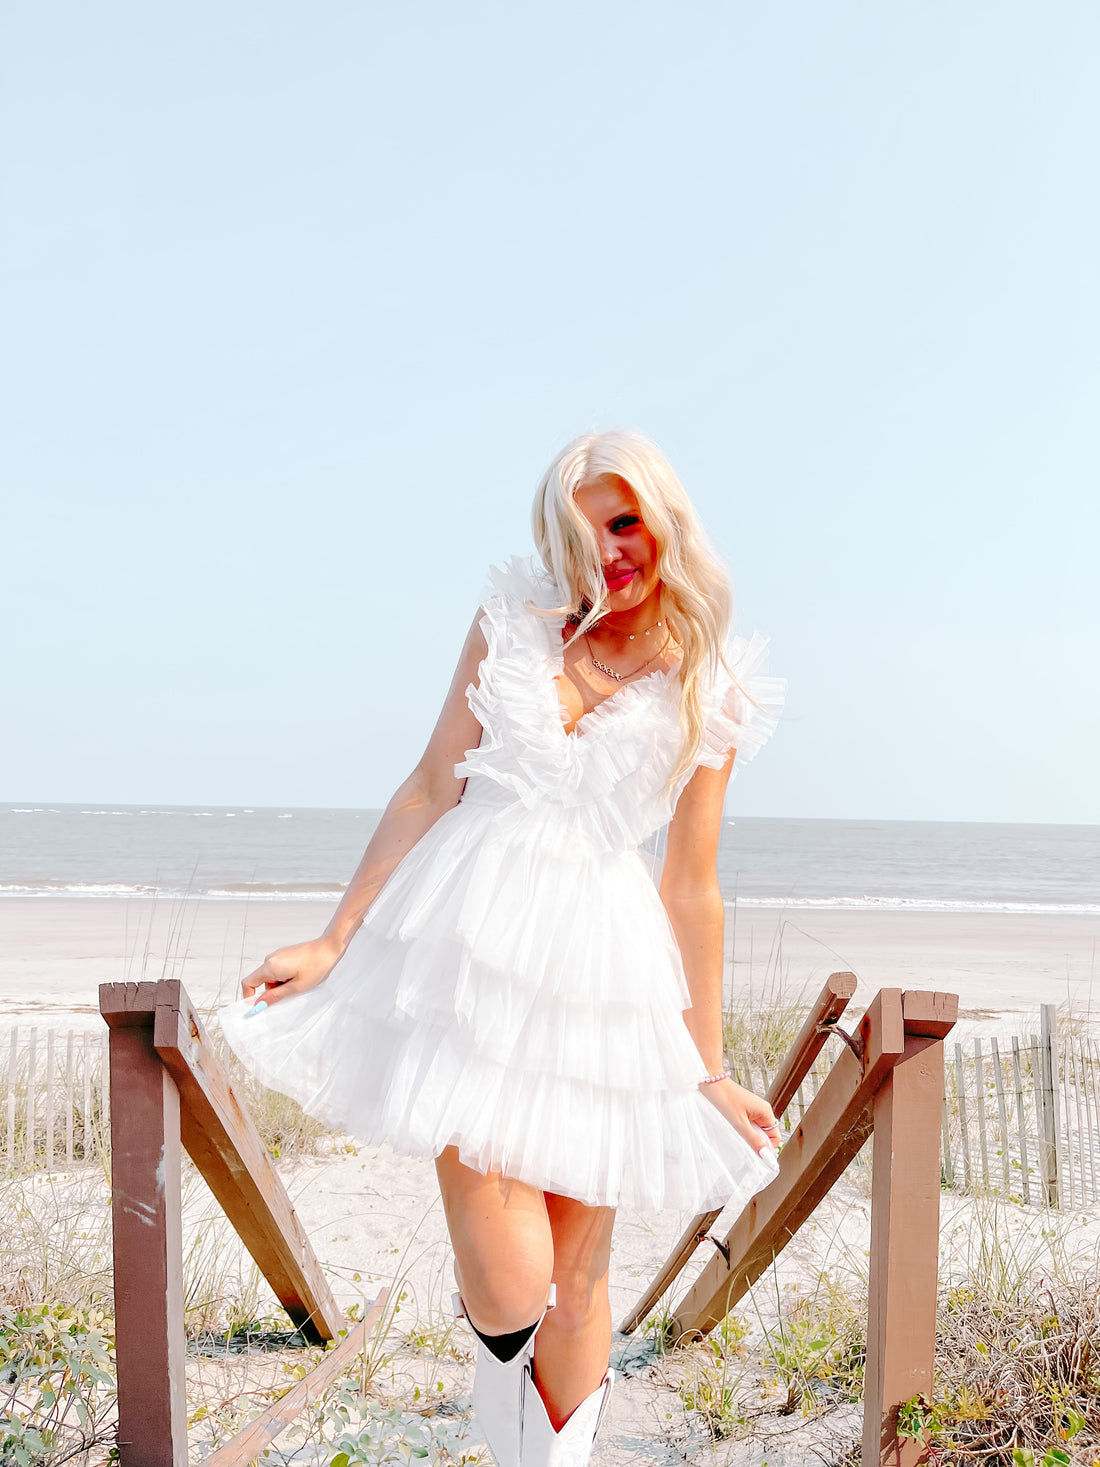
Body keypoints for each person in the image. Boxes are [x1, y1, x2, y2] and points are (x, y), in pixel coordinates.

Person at [219, 429, 786, 1467]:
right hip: (466, 951)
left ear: (662, 520)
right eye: (580, 533)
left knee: (577, 1286)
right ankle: (498, 1396)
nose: (606, 552)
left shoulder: (712, 680)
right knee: (514, 1279)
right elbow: (433, 784)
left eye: (623, 523)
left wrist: (703, 1070)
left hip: (601, 975)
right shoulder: (510, 625)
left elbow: (690, 887)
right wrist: (337, 937)